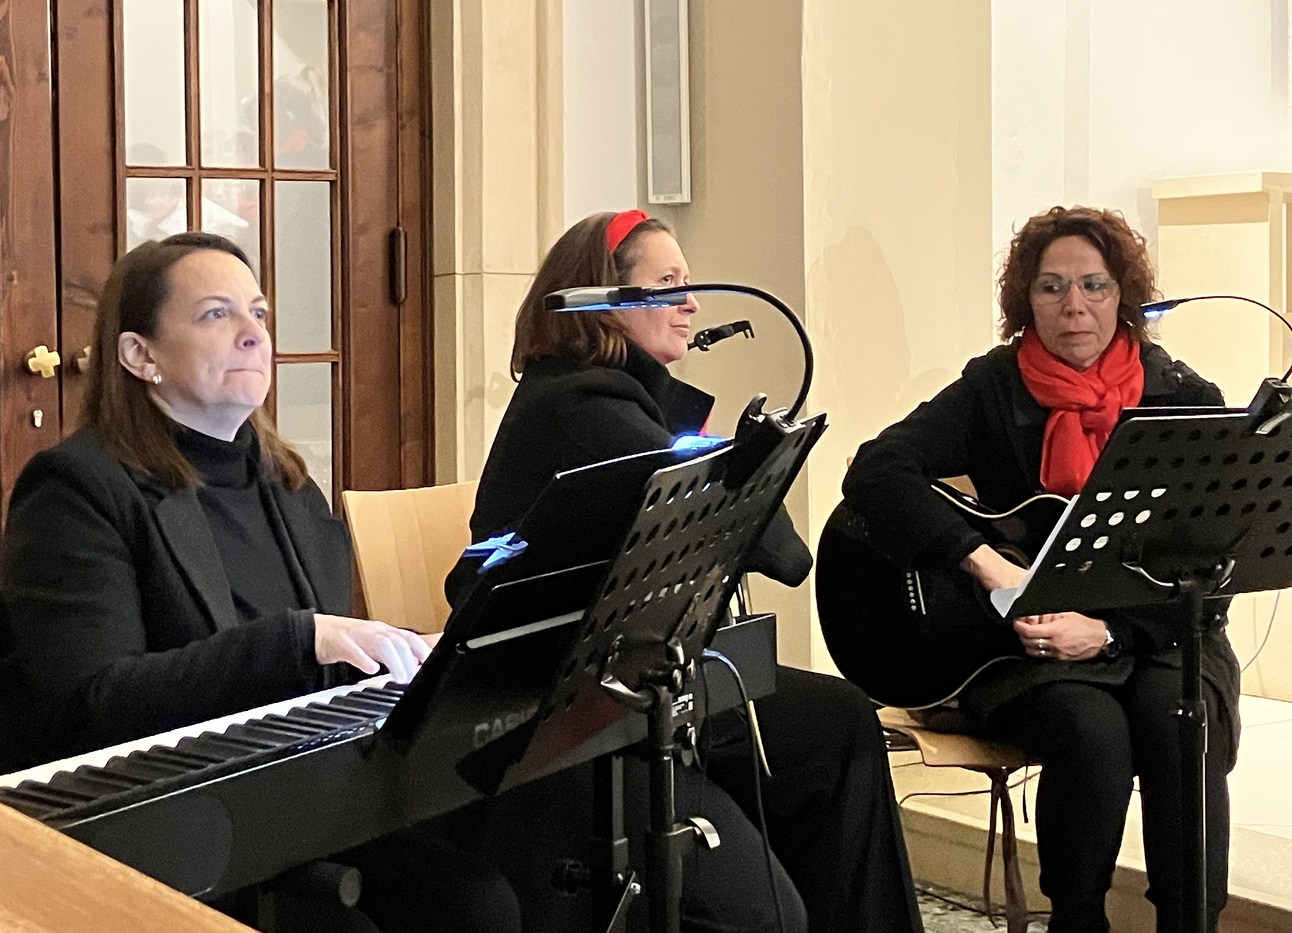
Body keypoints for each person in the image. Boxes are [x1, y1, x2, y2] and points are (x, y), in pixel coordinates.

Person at [1, 232, 520, 933]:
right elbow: (91, 705)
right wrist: (297, 640)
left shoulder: (289, 484)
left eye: (260, 313)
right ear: (140, 356)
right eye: (217, 314)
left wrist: (412, 655)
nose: (254, 334)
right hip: (180, 820)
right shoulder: (78, 488)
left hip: (304, 794)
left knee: (481, 895)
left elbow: (327, 666)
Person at [453, 210, 922, 933]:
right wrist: (737, 457)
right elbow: (781, 551)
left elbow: (780, 555)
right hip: (576, 712)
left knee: (839, 723)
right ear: (605, 298)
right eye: (668, 283)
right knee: (765, 912)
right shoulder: (581, 405)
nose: (692, 302)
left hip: (642, 679)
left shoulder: (616, 397)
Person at [843, 206, 1239, 933]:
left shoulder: (1181, 397)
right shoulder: (995, 388)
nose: (1074, 305)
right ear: (1026, 299)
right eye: (1052, 287)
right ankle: (1076, 919)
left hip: (1161, 634)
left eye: (1093, 285)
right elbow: (876, 471)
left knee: (1179, 720)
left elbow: (1211, 570)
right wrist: (986, 563)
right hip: (1028, 643)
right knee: (1090, 730)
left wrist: (1111, 634)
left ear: (1124, 295)